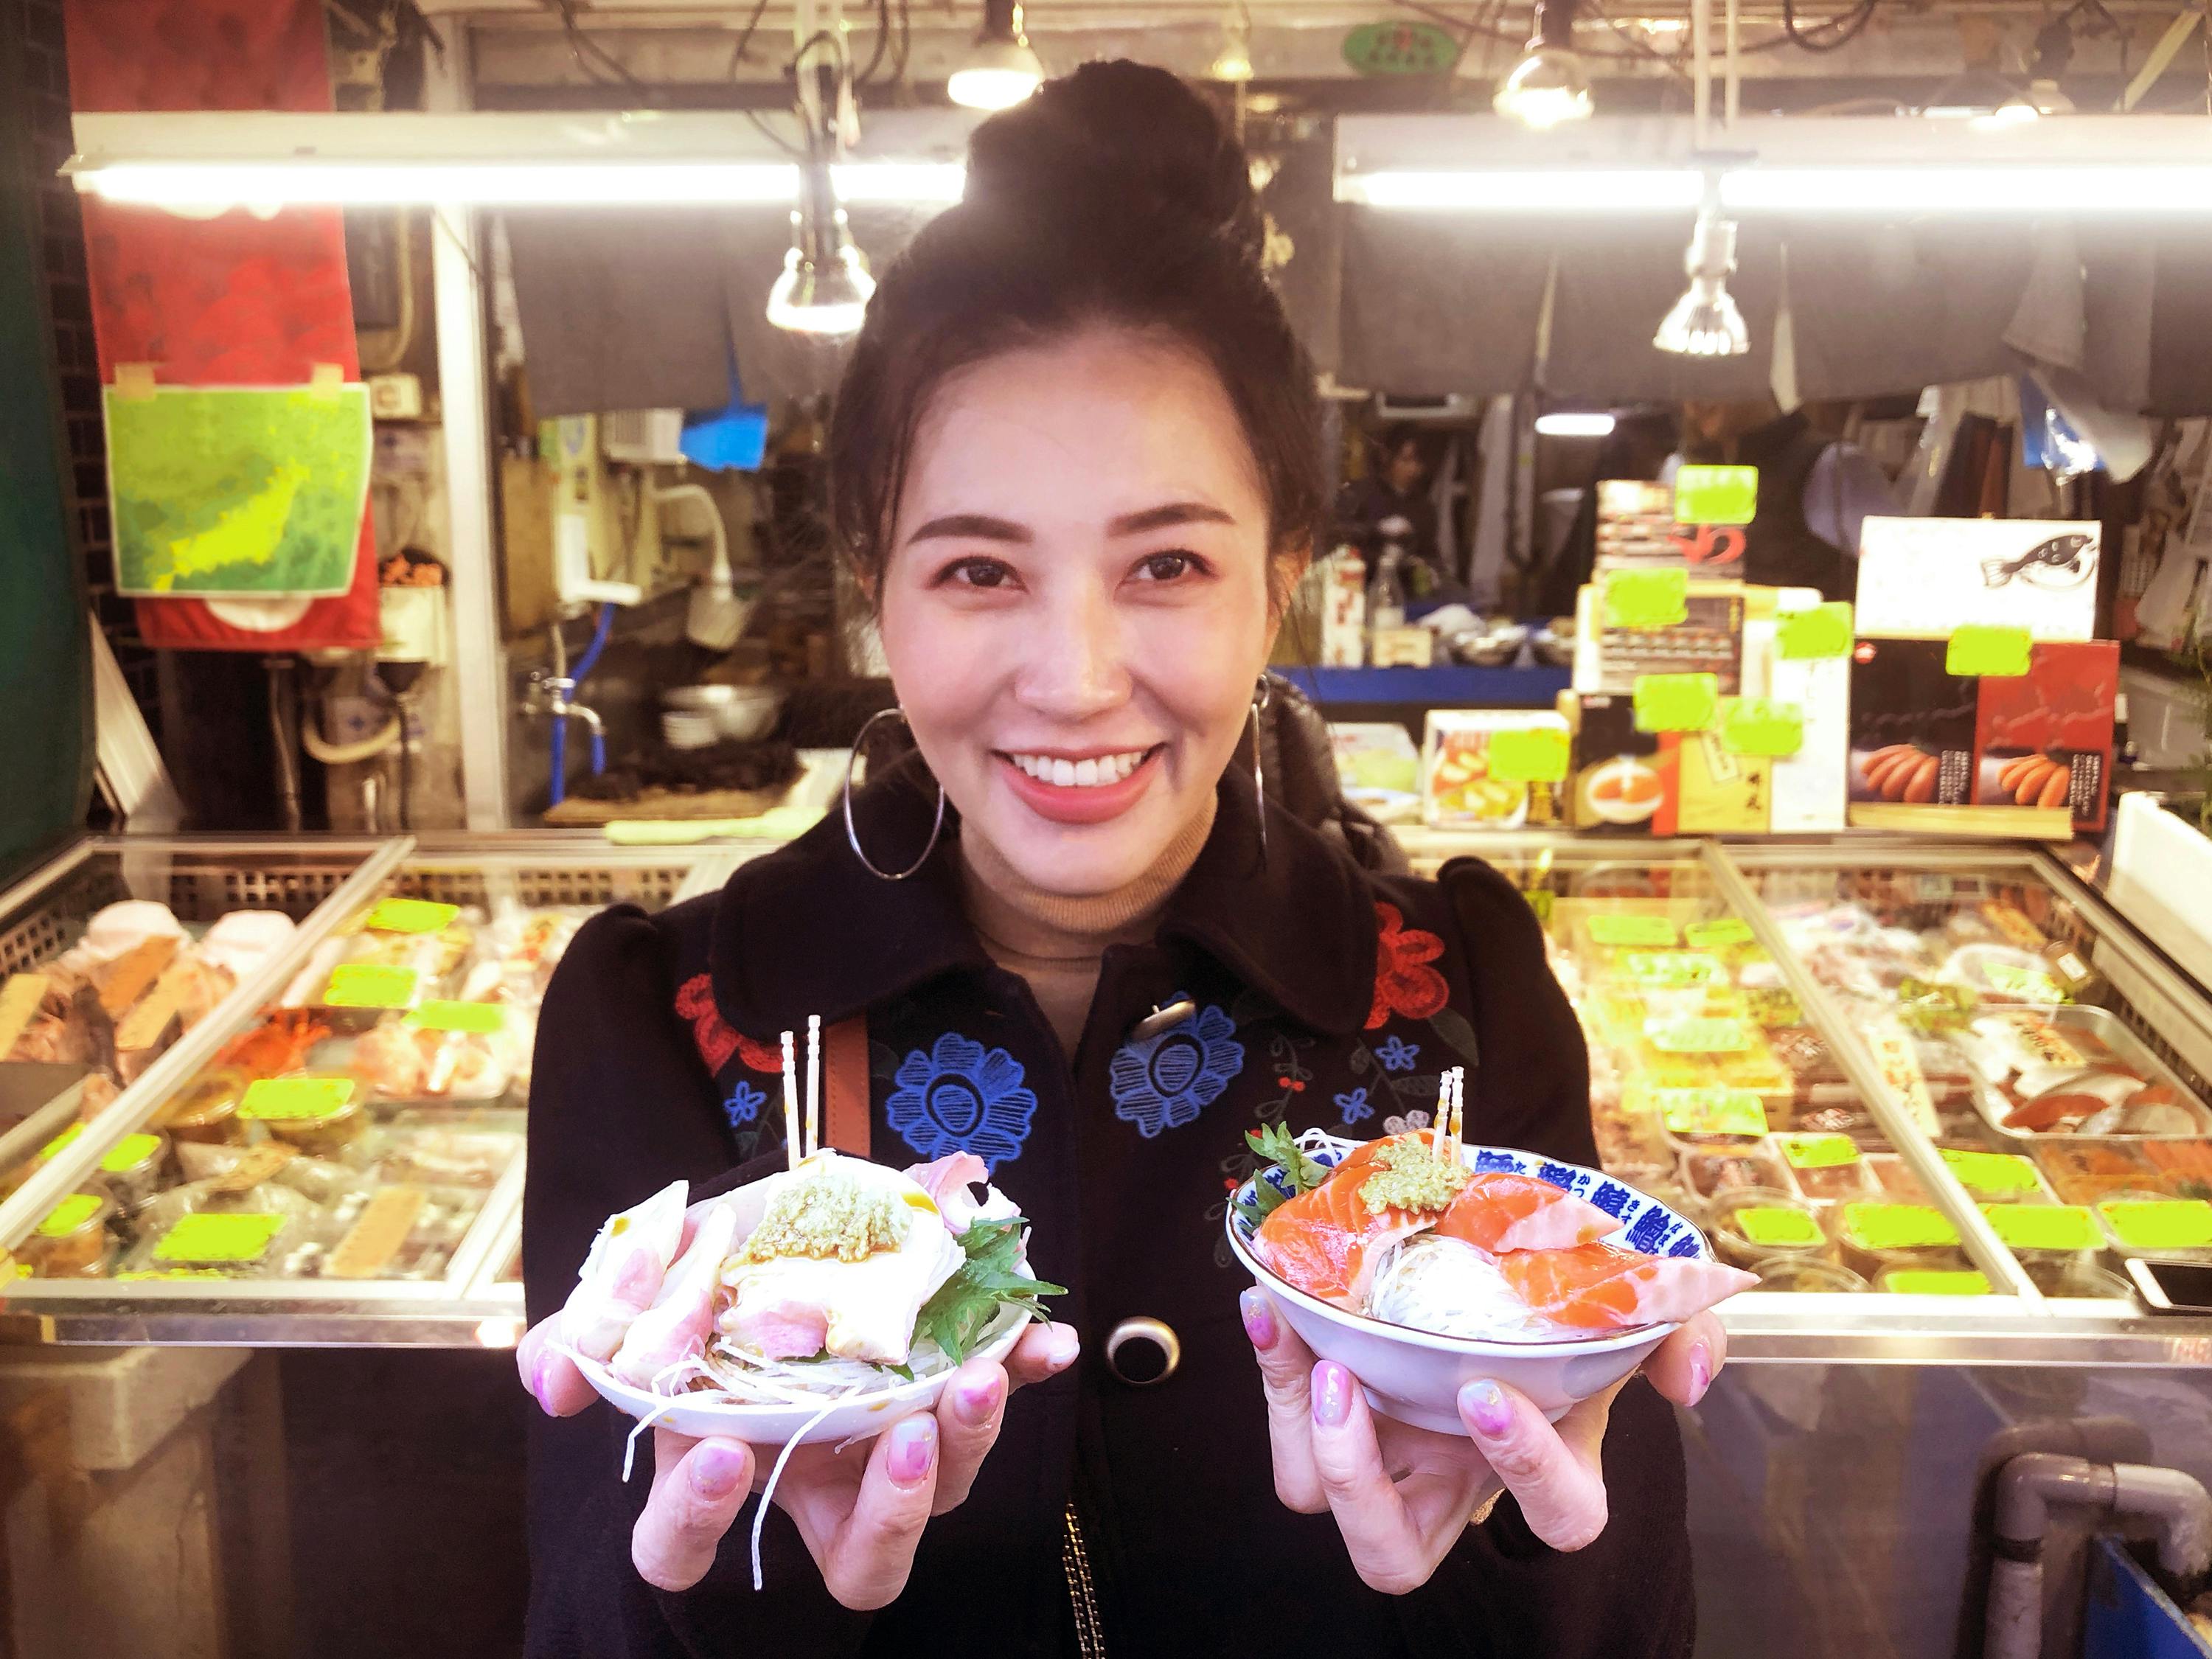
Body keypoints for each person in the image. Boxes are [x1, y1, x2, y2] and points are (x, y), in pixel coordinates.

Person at [515, 61, 1724, 1659]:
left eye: (1166, 563)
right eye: (977, 570)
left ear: (1281, 576)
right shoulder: (670, 1024)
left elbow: (1631, 1623)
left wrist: (1525, 1551)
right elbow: (580, 1613)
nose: (1078, 677)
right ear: (875, 587)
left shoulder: (1454, 1013)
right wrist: (731, 1599)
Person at [1674, 399, 1899, 600]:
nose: (1693, 404)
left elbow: (1907, 576)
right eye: (1685, 386)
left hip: (1816, 641)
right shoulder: (1679, 469)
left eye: (1708, 381)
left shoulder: (1833, 466)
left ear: (1753, 370)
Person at [1340, 423, 1442, 574]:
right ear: (1386, 456)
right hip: (1360, 581)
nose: (1412, 469)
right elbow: (1339, 534)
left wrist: (1431, 570)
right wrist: (1377, 528)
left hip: (1406, 585)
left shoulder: (1424, 507)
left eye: (1418, 462)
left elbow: (1430, 555)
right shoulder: (1360, 492)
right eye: (1406, 460)